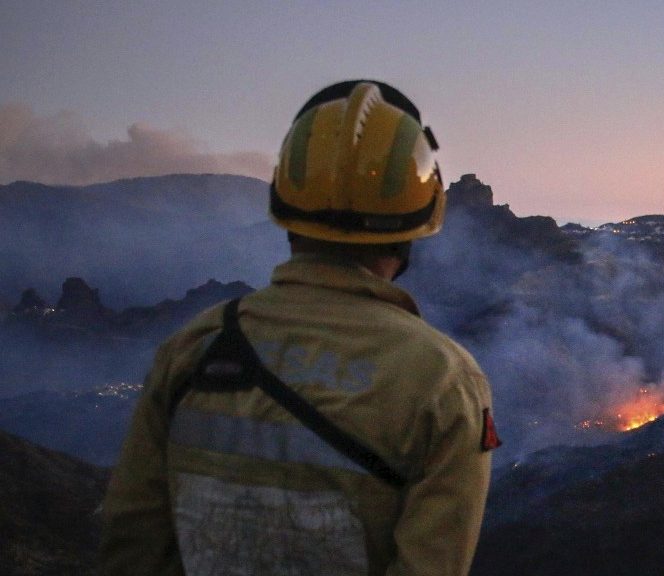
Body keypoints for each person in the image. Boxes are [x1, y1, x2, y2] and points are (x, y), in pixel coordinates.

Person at [100, 80, 500, 576]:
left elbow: (130, 539)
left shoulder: (193, 346)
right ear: (416, 225)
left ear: (286, 213)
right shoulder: (443, 381)